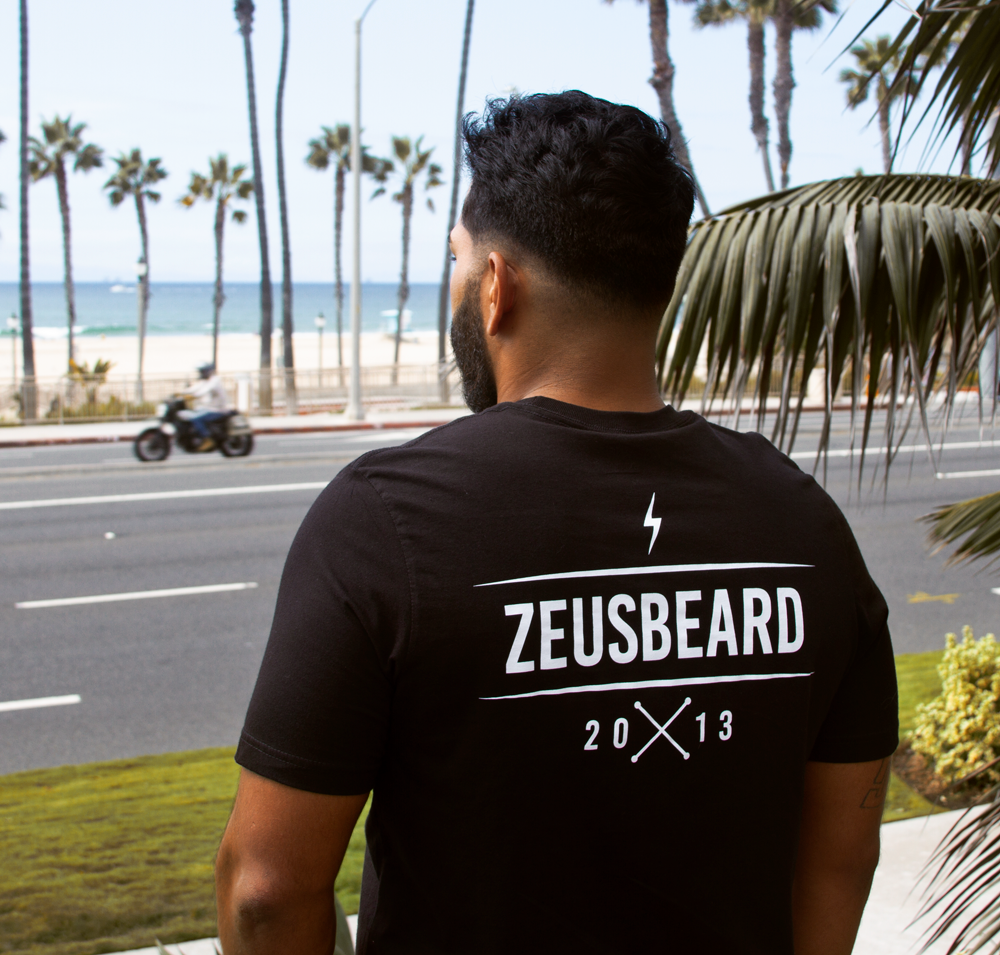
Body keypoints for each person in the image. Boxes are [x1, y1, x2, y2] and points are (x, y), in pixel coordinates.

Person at [216, 91, 897, 955]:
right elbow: (841, 858)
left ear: (495, 288)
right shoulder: (806, 526)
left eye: (460, 264)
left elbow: (266, 893)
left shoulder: (384, 519)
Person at [187, 363, 230, 450]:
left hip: (218, 410)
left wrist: (194, 396)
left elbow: (205, 390)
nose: (200, 374)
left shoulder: (215, 380)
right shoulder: (206, 380)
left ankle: (207, 439)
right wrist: (180, 393)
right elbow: (196, 387)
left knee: (196, 419)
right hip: (210, 408)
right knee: (193, 412)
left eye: (202, 371)